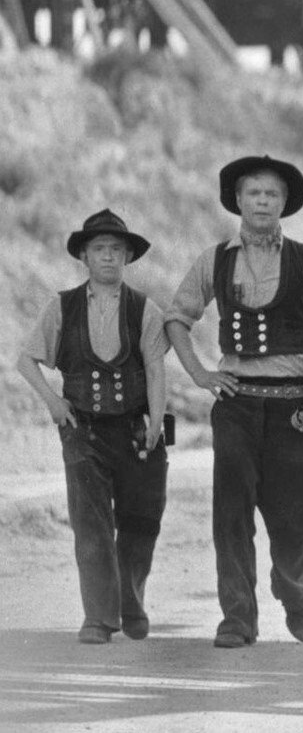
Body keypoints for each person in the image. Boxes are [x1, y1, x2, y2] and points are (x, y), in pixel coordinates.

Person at [165, 155, 303, 649]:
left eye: (272, 194)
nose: (262, 202)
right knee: (231, 513)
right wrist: (201, 374)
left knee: (296, 514)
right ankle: (238, 618)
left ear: (284, 204)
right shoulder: (215, 259)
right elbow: (176, 318)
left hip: (293, 406)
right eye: (254, 193)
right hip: (237, 404)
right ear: (238, 200)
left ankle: (294, 590)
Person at [16, 210, 169, 644]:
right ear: (84, 256)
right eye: (99, 249)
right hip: (82, 431)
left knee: (141, 521)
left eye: (116, 250)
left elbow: (156, 370)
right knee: (91, 526)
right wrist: (54, 403)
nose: (108, 257)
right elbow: (26, 361)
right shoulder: (61, 306)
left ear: (128, 257)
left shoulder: (145, 309)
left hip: (136, 430)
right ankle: (99, 619)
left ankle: (131, 604)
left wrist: (157, 419)